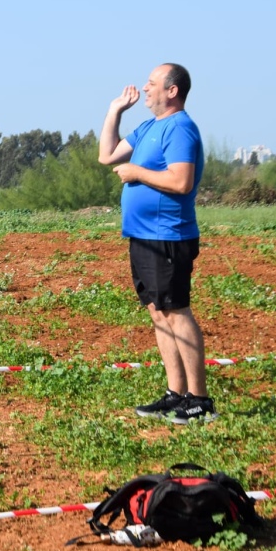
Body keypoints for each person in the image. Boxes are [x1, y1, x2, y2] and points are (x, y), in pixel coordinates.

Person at [98, 63, 214, 424]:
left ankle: (200, 400)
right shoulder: (149, 126)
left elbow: (181, 182)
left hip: (168, 236)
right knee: (158, 311)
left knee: (176, 312)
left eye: (151, 84)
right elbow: (107, 155)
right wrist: (114, 110)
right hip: (144, 237)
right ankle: (175, 394)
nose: (144, 89)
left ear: (172, 91)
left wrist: (136, 173)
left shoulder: (180, 128)